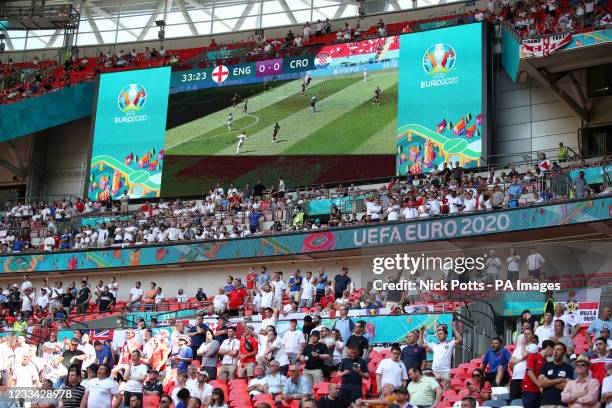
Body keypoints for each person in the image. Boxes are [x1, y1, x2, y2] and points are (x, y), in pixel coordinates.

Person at [420, 322, 462, 389]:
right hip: (435, 372)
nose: (439, 335)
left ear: (446, 335)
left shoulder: (450, 344)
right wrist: (421, 333)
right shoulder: (434, 345)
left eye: (441, 334)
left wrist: (454, 329)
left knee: (446, 392)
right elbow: (421, 344)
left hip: (445, 372)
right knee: (435, 391)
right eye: (438, 334)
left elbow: (460, 340)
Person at [538, 342, 573, 408]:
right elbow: (540, 383)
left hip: (561, 404)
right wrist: (560, 380)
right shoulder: (546, 366)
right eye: (554, 349)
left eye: (559, 350)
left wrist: (548, 382)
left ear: (564, 353)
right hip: (545, 404)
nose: (555, 352)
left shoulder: (569, 368)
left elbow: (567, 387)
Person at [522, 340, 555, 408]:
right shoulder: (533, 356)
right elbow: (529, 372)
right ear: (548, 347)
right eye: (553, 349)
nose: (554, 352)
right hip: (530, 390)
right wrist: (539, 385)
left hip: (540, 392)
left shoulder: (546, 362)